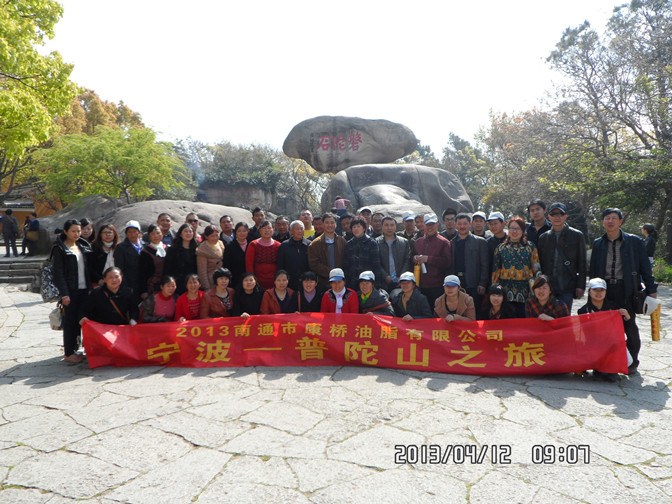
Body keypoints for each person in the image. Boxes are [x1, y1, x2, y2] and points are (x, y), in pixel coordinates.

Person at [589, 208, 657, 374]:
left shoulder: (634, 241)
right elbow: (593, 269)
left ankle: (632, 361)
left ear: (621, 221)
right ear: (603, 222)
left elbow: (645, 267)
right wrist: (592, 290)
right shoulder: (598, 243)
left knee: (629, 325)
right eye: (607, 218)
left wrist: (651, 289)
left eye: (614, 218)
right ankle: (605, 361)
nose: (610, 221)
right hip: (604, 289)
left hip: (626, 289)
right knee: (603, 327)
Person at [52, 219, 92, 363]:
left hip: (84, 289)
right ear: (66, 231)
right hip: (70, 291)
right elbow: (58, 273)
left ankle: (78, 348)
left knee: (83, 319)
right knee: (70, 322)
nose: (77, 234)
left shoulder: (82, 245)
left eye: (78, 231)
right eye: (73, 231)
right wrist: (64, 294)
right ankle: (69, 352)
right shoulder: (60, 248)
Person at [578, 278, 633, 381]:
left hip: (611, 343)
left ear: (606, 292)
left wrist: (626, 315)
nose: (598, 293)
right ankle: (598, 367)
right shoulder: (583, 310)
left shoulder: (614, 308)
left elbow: (626, 326)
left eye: (601, 290)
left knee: (628, 361)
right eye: (595, 290)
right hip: (592, 343)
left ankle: (610, 369)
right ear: (589, 292)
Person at [537, 202, 587, 312]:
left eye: (560, 214)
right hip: (548, 286)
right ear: (549, 216)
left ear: (565, 216)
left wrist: (581, 286)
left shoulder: (577, 235)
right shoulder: (543, 237)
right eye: (554, 214)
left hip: (567, 285)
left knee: (564, 318)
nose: (557, 217)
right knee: (547, 317)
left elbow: (582, 263)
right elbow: (540, 264)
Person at [492, 216, 541, 317]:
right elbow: (496, 271)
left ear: (523, 231)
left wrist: (539, 288)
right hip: (505, 292)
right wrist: (494, 290)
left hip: (526, 291)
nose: (514, 231)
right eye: (512, 228)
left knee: (523, 321)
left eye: (518, 229)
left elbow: (536, 268)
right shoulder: (501, 248)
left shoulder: (530, 247)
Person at [412, 213, 452, 307]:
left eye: (432, 224)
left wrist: (428, 259)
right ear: (423, 226)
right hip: (420, 285)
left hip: (437, 286)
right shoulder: (417, 242)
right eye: (427, 225)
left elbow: (447, 262)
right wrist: (414, 258)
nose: (430, 227)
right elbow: (411, 256)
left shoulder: (444, 242)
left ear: (437, 225)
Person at [451, 213, 489, 308]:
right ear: (455, 225)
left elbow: (485, 265)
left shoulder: (480, 242)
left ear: (470, 224)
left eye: (465, 223)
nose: (462, 226)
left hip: (474, 283)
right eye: (459, 224)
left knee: (474, 309)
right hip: (457, 282)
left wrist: (482, 283)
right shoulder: (452, 243)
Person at [308, 213, 346, 291]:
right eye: (327, 222)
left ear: (336, 224)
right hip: (323, 283)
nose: (330, 225)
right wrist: (332, 273)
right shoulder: (315, 244)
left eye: (332, 222)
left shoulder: (342, 241)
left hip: (340, 282)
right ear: (323, 224)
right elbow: (314, 264)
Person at [344, 217, 383, 289]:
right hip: (352, 282)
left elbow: (376, 265)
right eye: (354, 227)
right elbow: (346, 265)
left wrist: (377, 285)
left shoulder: (372, 243)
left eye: (358, 226)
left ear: (364, 228)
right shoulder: (349, 244)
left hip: (368, 281)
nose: (356, 229)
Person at [113, 220, 144, 303]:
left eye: (135, 231)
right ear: (126, 233)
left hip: (143, 284)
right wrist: (125, 285)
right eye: (130, 232)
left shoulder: (144, 245)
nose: (132, 234)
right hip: (129, 284)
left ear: (139, 232)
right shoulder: (121, 247)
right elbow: (119, 268)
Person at [377, 216, 411, 292]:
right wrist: (385, 276)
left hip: (401, 280)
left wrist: (402, 277)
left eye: (392, 225)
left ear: (396, 226)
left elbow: (407, 260)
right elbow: (376, 262)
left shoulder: (404, 242)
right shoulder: (376, 242)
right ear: (382, 226)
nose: (389, 228)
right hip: (383, 282)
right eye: (386, 225)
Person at [245, 220, 281, 290]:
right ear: (260, 230)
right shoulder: (253, 245)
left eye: (269, 228)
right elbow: (249, 264)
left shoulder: (278, 245)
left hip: (274, 281)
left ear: (273, 230)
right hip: (257, 281)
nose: (267, 230)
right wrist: (251, 279)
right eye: (264, 228)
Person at [164, 223, 198, 296]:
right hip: (177, 285)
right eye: (186, 231)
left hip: (192, 285)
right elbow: (167, 269)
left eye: (190, 231)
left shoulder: (196, 250)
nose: (188, 233)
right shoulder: (172, 250)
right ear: (180, 234)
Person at [277, 220, 310, 291]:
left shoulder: (309, 245)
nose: (299, 231)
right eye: (297, 229)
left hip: (306, 281)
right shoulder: (284, 246)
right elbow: (280, 265)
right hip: (289, 282)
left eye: (301, 229)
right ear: (291, 231)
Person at [139, 224, 168, 297]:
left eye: (158, 233)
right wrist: (144, 291)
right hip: (152, 286)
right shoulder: (145, 252)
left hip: (167, 285)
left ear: (162, 234)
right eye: (153, 234)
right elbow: (142, 273)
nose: (156, 236)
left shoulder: (168, 249)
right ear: (149, 236)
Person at [196, 225, 225, 290]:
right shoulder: (202, 249)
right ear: (206, 236)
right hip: (211, 281)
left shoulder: (220, 243)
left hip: (222, 280)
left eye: (216, 235)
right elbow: (202, 272)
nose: (215, 238)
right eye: (212, 236)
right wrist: (207, 288)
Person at [222, 222, 249, 289]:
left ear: (248, 232)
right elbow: (226, 264)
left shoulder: (252, 244)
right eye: (239, 231)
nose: (242, 233)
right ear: (235, 232)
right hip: (235, 279)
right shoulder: (230, 246)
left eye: (244, 231)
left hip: (249, 279)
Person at [485, 211, 507, 283]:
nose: (493, 226)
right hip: (492, 281)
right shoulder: (487, 243)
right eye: (491, 224)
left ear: (503, 223)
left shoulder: (511, 240)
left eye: (495, 223)